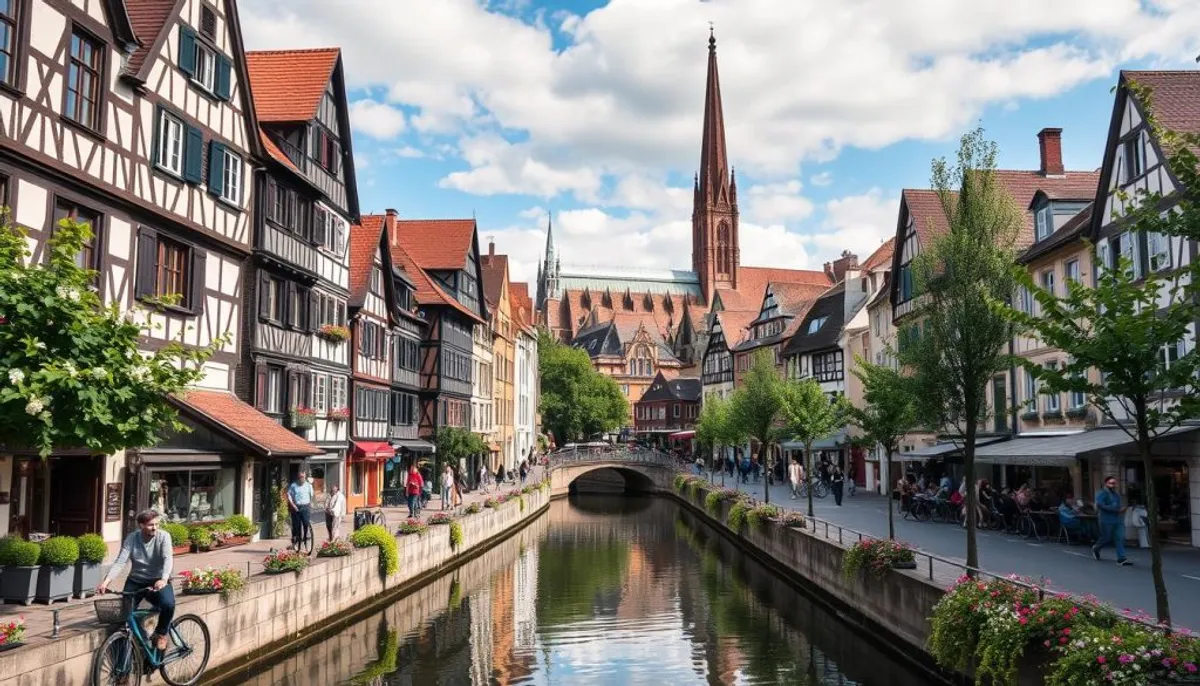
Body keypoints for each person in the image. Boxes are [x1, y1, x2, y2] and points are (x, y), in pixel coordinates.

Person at [97, 510, 175, 651]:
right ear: (141, 525)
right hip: (136, 580)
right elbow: (120, 562)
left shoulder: (164, 537)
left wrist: (164, 579)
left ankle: (162, 633)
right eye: (151, 525)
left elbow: (167, 559)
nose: (155, 528)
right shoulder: (132, 538)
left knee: (168, 604)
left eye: (157, 524)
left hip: (158, 580)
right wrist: (106, 581)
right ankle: (140, 643)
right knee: (125, 615)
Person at [1094, 476, 1131, 565]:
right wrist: (1115, 510)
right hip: (1106, 519)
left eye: (1114, 483)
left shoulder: (1116, 495)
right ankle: (1096, 548)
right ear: (1106, 483)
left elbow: (1117, 506)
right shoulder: (1102, 493)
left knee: (1120, 537)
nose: (1113, 485)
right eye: (1111, 483)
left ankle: (1121, 558)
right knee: (1106, 538)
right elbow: (1100, 505)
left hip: (1117, 519)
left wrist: (1121, 509)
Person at [287, 470, 314, 551]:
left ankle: (306, 540)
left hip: (305, 506)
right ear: (298, 477)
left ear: (305, 477)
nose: (302, 478)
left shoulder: (309, 485)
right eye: (300, 477)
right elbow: (289, 495)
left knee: (306, 524)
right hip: (296, 507)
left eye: (303, 477)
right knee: (296, 526)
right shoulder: (293, 485)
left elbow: (311, 496)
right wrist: (293, 505)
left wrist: (310, 505)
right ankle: (296, 541)